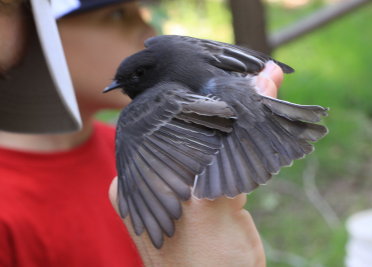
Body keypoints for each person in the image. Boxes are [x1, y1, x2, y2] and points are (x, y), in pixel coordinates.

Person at [0, 0, 285, 266]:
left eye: (143, 10)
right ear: (35, 32)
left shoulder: (123, 141)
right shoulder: (7, 207)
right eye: (116, 15)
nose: (148, 31)